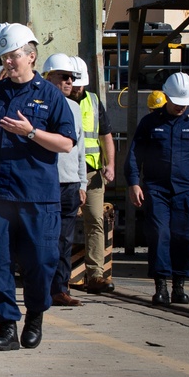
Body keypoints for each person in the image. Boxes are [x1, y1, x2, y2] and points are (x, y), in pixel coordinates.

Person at [0, 23, 76, 351]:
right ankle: (6, 327)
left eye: (14, 56)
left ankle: (35, 317)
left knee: (41, 261)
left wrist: (31, 132)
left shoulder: (50, 96)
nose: (8, 63)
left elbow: (66, 144)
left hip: (37, 195)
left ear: (31, 57)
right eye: (4, 58)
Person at [125, 70, 189, 306]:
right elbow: (133, 155)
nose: (181, 107)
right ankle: (160, 286)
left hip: (186, 191)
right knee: (160, 234)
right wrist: (133, 183)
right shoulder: (149, 124)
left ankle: (179, 285)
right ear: (167, 98)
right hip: (156, 190)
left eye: (185, 104)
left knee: (185, 237)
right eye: (177, 103)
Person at [41, 55, 87, 308]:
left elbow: (79, 149)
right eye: (64, 76)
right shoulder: (38, 104)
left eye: (72, 77)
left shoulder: (76, 109)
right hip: (45, 182)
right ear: (49, 77)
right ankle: (40, 285)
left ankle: (59, 289)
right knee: (42, 238)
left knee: (64, 240)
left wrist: (82, 183)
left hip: (69, 183)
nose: (70, 81)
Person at [70, 56, 117, 294]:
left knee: (96, 222)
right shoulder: (58, 101)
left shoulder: (94, 101)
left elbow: (105, 135)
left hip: (92, 173)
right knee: (60, 223)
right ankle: (55, 275)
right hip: (67, 174)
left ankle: (96, 275)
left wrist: (110, 165)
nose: (77, 88)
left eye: (80, 85)